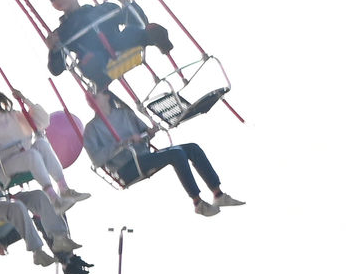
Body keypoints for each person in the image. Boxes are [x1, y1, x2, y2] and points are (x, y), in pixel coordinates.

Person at [0, 84, 90, 274]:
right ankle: (54, 199)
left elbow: (42, 122)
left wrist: (25, 100)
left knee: (40, 143)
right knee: (32, 157)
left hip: (26, 158)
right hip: (5, 167)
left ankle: (62, 191)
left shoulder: (13, 115)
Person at [80, 91, 246, 216]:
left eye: (96, 96)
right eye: (91, 98)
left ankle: (218, 194)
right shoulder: (92, 128)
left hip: (144, 157)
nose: (93, 101)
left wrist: (151, 131)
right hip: (127, 167)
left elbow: (144, 131)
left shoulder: (125, 113)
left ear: (107, 96)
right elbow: (96, 159)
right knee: (177, 154)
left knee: (192, 148)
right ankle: (197, 202)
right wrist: (123, 143)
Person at [42, 0, 170, 96]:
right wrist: (53, 50)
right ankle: (101, 80)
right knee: (90, 61)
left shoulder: (103, 9)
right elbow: (57, 69)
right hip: (97, 58)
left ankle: (155, 37)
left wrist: (129, 5)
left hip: (119, 44)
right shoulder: (62, 32)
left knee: (133, 31)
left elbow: (138, 21)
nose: (57, 0)